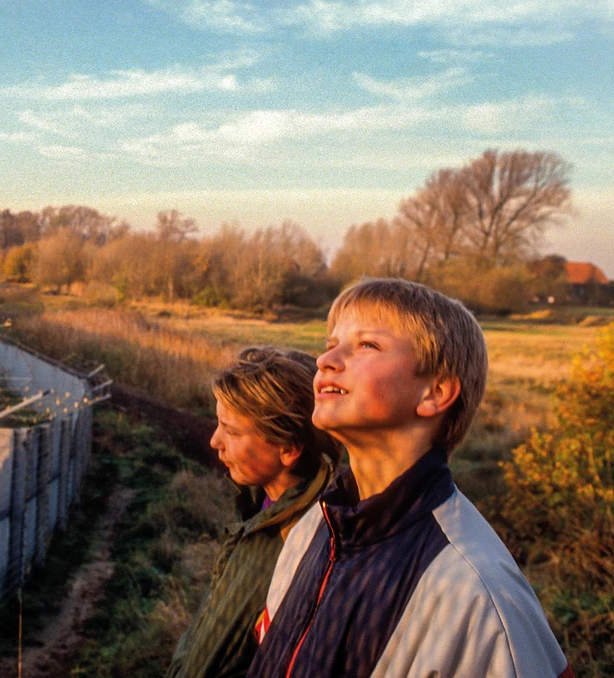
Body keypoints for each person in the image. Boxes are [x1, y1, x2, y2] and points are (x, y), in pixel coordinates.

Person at [247, 278, 572, 678]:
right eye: (331, 343)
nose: (325, 360)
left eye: (367, 344)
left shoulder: (476, 593)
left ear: (434, 392)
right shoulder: (314, 528)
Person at [167, 346, 342, 678]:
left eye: (232, 431)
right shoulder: (262, 508)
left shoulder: (307, 544)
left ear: (288, 449)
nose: (215, 441)